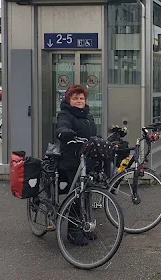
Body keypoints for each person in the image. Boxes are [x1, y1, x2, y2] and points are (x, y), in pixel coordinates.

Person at [55, 84, 98, 246]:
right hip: (72, 159)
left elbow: (93, 135)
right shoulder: (65, 114)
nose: (79, 101)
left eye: (81, 98)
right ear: (69, 100)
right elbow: (61, 127)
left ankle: (84, 226)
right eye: (75, 98)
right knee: (77, 195)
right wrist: (65, 132)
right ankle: (73, 231)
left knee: (86, 193)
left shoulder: (87, 116)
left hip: (86, 160)